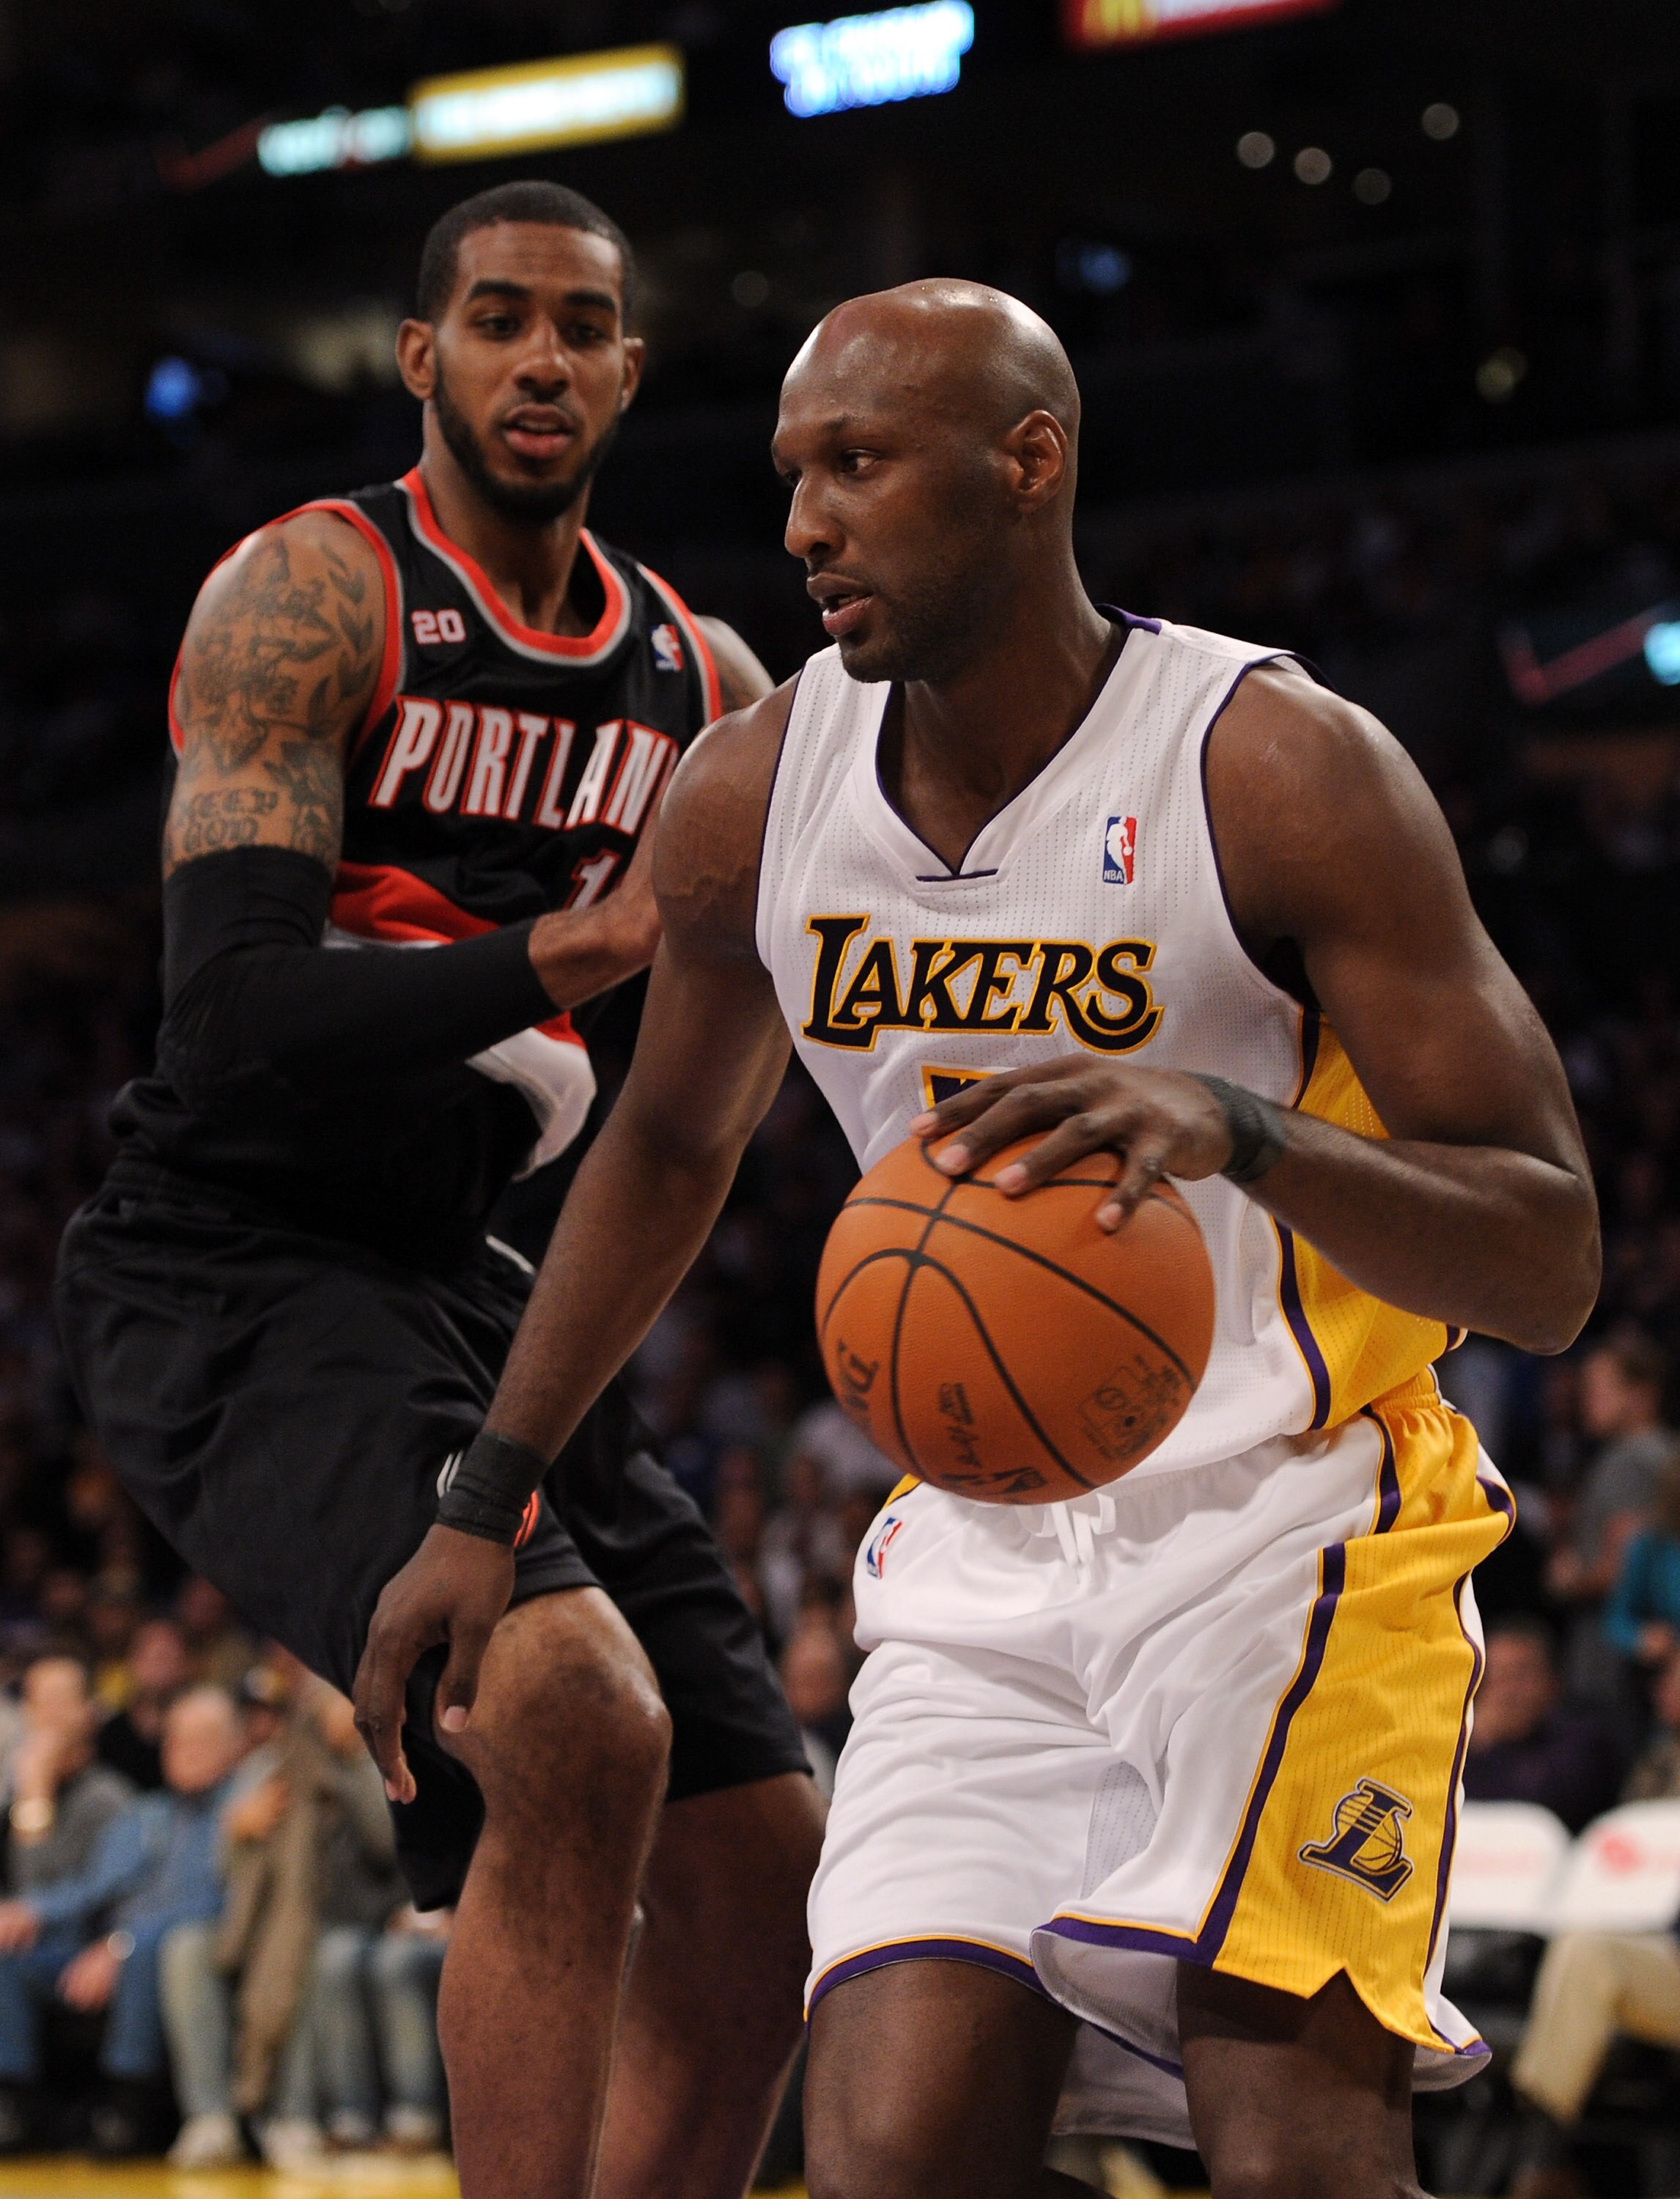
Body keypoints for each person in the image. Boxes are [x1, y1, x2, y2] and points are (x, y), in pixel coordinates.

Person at [355, 280, 1602, 2198]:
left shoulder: (1272, 767)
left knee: (1289, 2153)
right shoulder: (755, 798)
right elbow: (669, 1143)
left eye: (855, 464)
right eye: (788, 475)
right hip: (977, 1555)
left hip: (1295, 1535)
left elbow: (1546, 1254)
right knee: (893, 2148)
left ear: (1029, 464)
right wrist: (487, 1492)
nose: (801, 526)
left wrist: (1241, 1130)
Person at [55, 177, 822, 2199]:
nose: (541, 358)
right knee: (575, 1719)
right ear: (424, 359)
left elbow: (740, 1074)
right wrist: (575, 950)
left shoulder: (704, 681)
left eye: (581, 324)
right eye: (497, 321)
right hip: (239, 1253)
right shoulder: (312, 594)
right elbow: (221, 1023)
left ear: (632, 369)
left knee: (766, 1861)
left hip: (479, 1272)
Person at [0, 1686, 243, 2156]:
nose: (186, 1752)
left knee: (146, 1953)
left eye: (203, 1739)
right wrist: (30, 1909)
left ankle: (128, 2107)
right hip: (107, 1942)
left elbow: (219, 1901)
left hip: (173, 1947)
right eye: (176, 1740)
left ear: (235, 1745)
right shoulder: (147, 1814)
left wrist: (121, 1944)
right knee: (11, 1957)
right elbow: (92, 1889)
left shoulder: (239, 1812)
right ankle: (14, 2102)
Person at [1506, 1644, 1680, 2199]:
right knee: (1586, 1950)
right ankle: (1542, 2157)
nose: (1661, 1687)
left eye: (1673, 1674)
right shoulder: (1660, 1762)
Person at [1461, 1618, 1620, 1832]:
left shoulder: (1584, 1737)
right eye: (1495, 1676)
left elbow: (1550, 1807)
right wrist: (1475, 1744)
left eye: (1520, 1675)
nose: (1507, 1692)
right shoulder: (1466, 1743)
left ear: (1553, 1680)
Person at [97, 1618, 194, 1792]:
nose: (159, 1667)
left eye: (167, 1657)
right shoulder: (110, 1732)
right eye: (152, 1656)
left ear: (185, 1665)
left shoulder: (197, 1732)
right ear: (132, 1662)